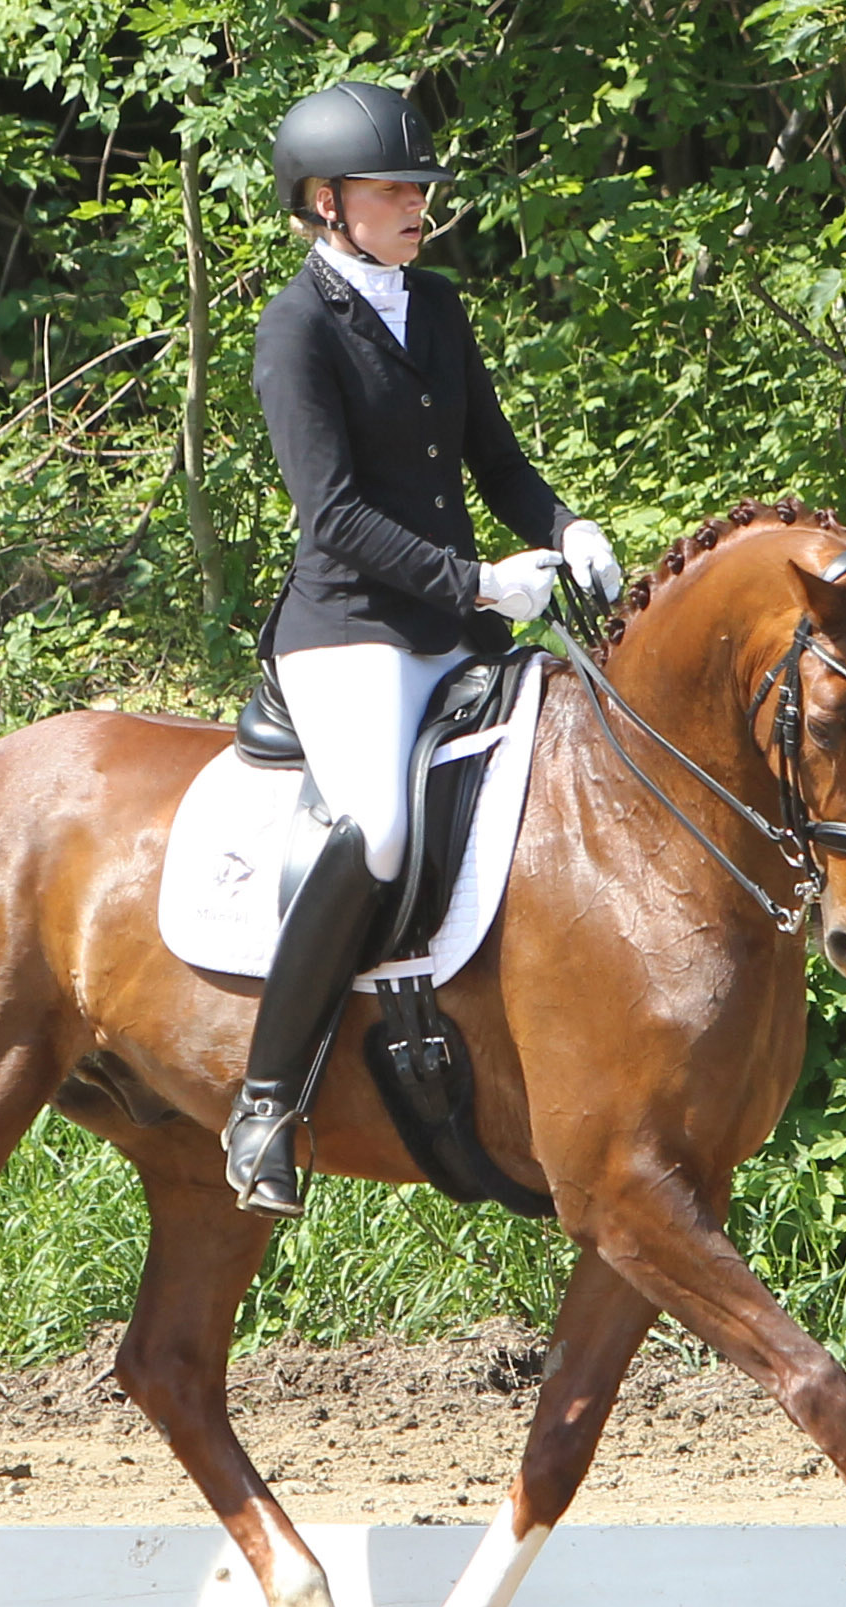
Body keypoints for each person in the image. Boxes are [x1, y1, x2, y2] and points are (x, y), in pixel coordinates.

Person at [224, 79, 625, 1217]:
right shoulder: (295, 329)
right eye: (395, 187)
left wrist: (562, 527)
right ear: (322, 201)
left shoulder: (435, 306)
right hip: (349, 632)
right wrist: (480, 581)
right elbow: (333, 514)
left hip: (453, 623)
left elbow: (492, 459)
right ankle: (264, 1101)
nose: (418, 203)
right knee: (382, 826)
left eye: (420, 185)